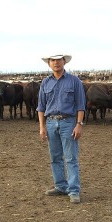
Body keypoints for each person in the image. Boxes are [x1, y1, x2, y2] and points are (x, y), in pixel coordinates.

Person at [37, 54, 86, 204]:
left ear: (64, 62)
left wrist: (79, 124)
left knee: (71, 158)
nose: (56, 63)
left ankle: (73, 190)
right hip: (51, 123)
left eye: (59, 60)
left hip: (68, 122)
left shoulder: (74, 81)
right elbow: (41, 107)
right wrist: (42, 126)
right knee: (55, 157)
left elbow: (80, 105)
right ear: (49, 64)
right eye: (53, 60)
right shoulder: (45, 83)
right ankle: (60, 186)